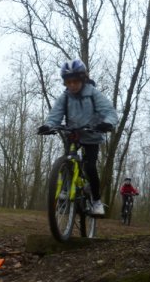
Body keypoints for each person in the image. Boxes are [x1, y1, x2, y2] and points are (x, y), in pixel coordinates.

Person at [37, 59, 118, 216]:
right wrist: (48, 125)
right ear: (65, 83)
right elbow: (55, 114)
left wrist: (107, 123)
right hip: (73, 134)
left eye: (75, 81)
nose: (72, 85)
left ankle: (96, 201)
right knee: (67, 160)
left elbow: (109, 111)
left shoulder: (93, 93)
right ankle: (65, 192)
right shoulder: (65, 97)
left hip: (91, 134)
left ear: (83, 79)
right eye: (68, 82)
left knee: (89, 167)